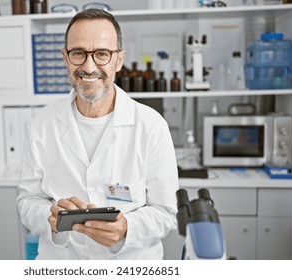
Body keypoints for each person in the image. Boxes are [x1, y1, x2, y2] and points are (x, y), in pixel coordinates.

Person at [17, 8, 179, 260]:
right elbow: (28, 201)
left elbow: (166, 212)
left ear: (119, 59)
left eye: (102, 54)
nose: (89, 67)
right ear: (65, 57)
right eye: (78, 53)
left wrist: (127, 228)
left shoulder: (151, 125)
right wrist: (51, 216)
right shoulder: (42, 124)